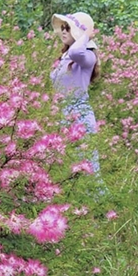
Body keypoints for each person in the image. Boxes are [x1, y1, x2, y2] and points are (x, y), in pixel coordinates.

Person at [50, 12, 102, 175]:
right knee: (65, 168)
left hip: (79, 115)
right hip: (62, 114)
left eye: (68, 28)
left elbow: (76, 52)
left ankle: (97, 200)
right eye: (63, 28)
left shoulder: (87, 56)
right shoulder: (65, 57)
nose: (63, 31)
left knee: (86, 167)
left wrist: (86, 35)